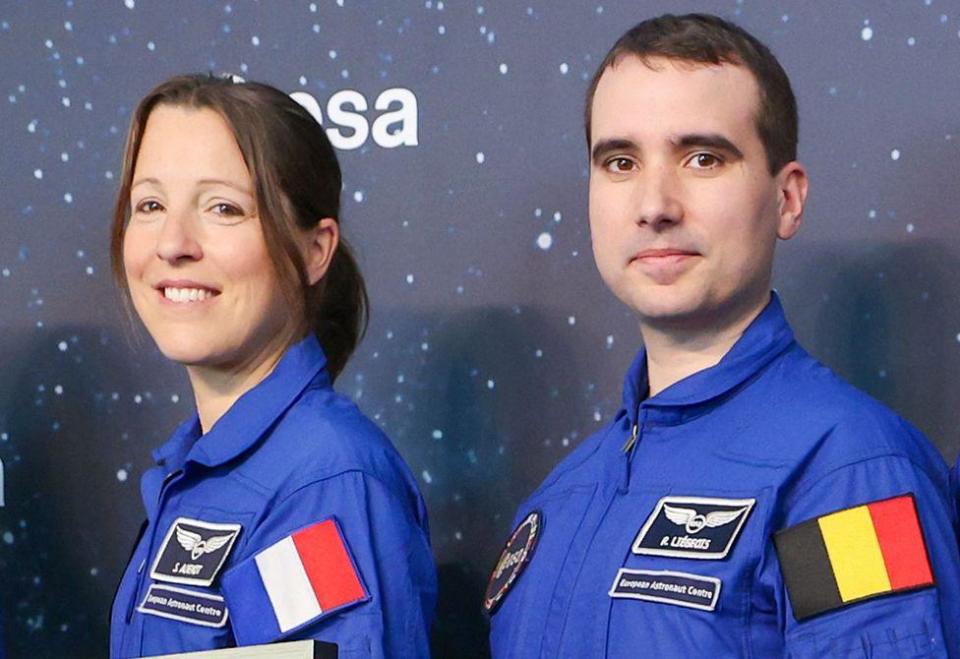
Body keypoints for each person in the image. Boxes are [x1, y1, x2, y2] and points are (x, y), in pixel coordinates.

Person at [486, 13, 960, 658]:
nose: (655, 204)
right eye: (620, 161)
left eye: (702, 158)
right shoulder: (561, 498)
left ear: (787, 200)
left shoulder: (846, 473)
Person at [108, 74, 436, 658]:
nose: (173, 243)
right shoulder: (198, 470)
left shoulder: (323, 483)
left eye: (223, 208)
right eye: (150, 204)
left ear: (314, 251)